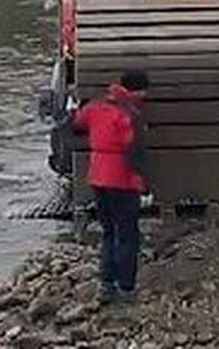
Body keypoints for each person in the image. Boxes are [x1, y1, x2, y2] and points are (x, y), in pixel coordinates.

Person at [73, 70, 150, 304]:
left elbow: (77, 123)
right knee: (127, 234)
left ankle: (106, 283)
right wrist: (142, 183)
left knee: (108, 231)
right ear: (137, 90)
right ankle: (126, 288)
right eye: (144, 90)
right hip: (122, 179)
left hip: (97, 177)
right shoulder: (130, 114)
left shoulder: (96, 107)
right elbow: (134, 152)